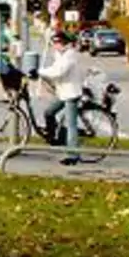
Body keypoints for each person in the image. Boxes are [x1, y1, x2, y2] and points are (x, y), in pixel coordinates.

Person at [34, 30, 85, 165]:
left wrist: (39, 72)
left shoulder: (70, 55)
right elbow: (54, 67)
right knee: (49, 112)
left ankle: (73, 156)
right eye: (54, 43)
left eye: (57, 43)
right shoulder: (60, 54)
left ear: (65, 43)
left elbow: (58, 72)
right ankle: (55, 137)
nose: (55, 46)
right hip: (62, 93)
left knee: (71, 125)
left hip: (71, 94)